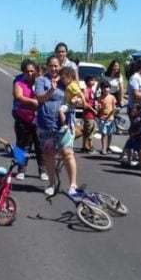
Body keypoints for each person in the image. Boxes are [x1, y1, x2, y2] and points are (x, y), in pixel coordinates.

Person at [35, 56, 79, 198]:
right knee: (49, 154)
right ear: (47, 66)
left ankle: (73, 185)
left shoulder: (65, 79)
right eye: (51, 66)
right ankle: (52, 183)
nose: (54, 69)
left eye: (56, 66)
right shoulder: (42, 80)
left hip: (63, 124)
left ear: (60, 66)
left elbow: (76, 92)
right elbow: (39, 98)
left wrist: (76, 100)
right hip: (46, 123)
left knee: (67, 153)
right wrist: (51, 90)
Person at [12, 60, 48, 181]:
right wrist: (33, 101)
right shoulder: (19, 83)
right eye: (27, 71)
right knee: (22, 145)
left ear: (36, 71)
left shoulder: (41, 83)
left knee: (40, 146)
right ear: (23, 72)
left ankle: (42, 171)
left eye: (32, 71)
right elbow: (18, 96)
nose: (30, 73)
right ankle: (21, 170)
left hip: (39, 120)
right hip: (23, 118)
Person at [96, 80, 117, 154]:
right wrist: (99, 107)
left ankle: (108, 147)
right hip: (102, 118)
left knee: (110, 134)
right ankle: (103, 148)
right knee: (104, 134)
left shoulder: (112, 97)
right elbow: (98, 108)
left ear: (110, 88)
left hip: (110, 119)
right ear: (101, 89)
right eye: (104, 88)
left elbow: (114, 107)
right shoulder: (100, 98)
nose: (106, 89)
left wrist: (112, 113)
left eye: (107, 87)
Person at [81, 76, 97, 153]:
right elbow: (85, 104)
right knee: (89, 131)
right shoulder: (86, 90)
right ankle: (89, 146)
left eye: (94, 80)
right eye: (91, 80)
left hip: (91, 114)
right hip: (88, 114)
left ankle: (84, 146)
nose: (93, 82)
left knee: (87, 131)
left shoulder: (92, 90)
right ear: (87, 82)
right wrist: (93, 110)